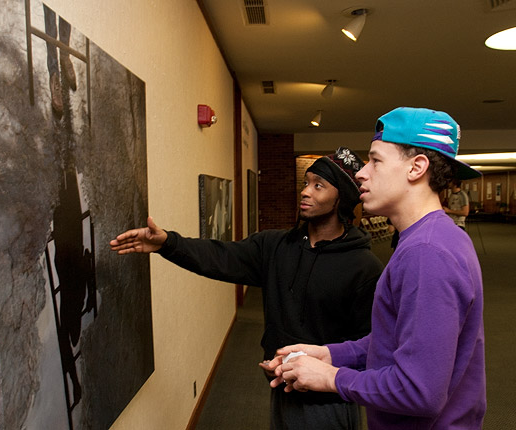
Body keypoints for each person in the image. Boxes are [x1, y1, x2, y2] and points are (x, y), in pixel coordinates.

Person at [110, 147, 384, 429]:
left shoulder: (364, 267)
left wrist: (324, 374)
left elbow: (370, 346)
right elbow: (219, 256)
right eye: (306, 182)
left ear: (342, 199)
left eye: (318, 186)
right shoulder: (275, 246)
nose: (305, 192)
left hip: (328, 401)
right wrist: (167, 243)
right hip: (281, 387)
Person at [267, 107, 486, 430]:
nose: (361, 173)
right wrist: (331, 354)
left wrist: (332, 378)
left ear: (417, 167)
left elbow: (419, 391)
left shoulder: (427, 252)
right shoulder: (433, 237)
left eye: (376, 160)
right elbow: (405, 339)